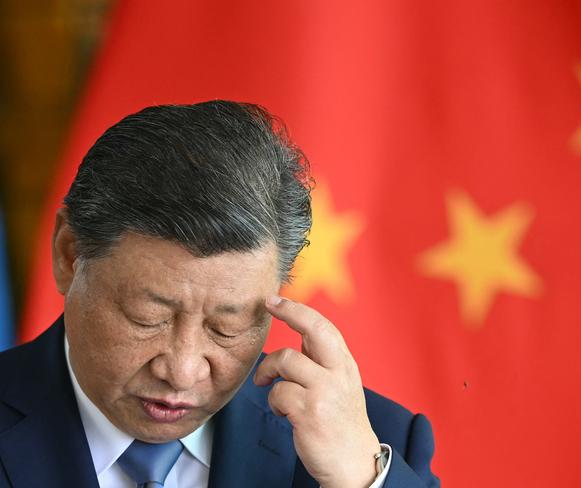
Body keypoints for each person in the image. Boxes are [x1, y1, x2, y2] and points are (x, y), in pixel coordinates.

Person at [0, 100, 439, 487]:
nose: (182, 372)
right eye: (147, 318)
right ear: (69, 256)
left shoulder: (374, 446)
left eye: (227, 328)